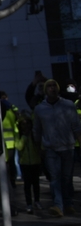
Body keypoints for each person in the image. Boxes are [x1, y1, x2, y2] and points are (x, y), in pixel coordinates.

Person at [32, 79, 81, 216]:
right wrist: (38, 146)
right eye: (49, 86)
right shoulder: (40, 109)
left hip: (68, 146)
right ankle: (57, 205)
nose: (52, 88)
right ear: (46, 90)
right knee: (54, 178)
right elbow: (37, 129)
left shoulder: (68, 105)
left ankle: (68, 203)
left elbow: (76, 126)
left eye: (54, 86)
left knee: (67, 177)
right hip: (51, 148)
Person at [16, 112, 43, 214]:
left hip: (36, 161)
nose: (26, 126)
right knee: (27, 184)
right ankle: (29, 203)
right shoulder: (19, 135)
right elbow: (18, 147)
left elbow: (38, 145)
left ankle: (37, 201)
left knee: (36, 183)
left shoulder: (34, 134)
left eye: (28, 123)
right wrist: (24, 137)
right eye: (23, 124)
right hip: (25, 163)